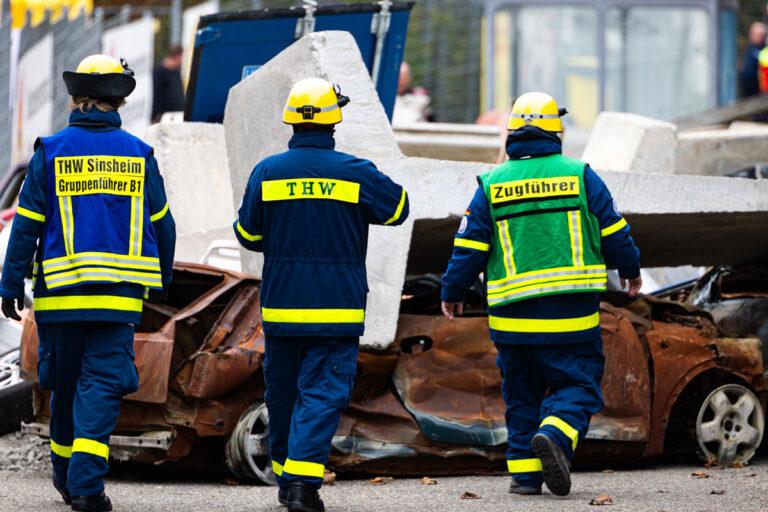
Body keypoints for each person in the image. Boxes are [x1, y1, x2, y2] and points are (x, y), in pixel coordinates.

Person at [440, 92, 641, 497]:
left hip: (511, 320)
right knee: (579, 386)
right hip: (570, 315)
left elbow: (470, 246)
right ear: (556, 131)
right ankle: (555, 433)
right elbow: (614, 232)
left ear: (513, 132)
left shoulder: (491, 183)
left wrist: (452, 289)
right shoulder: (581, 175)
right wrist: (631, 269)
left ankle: (526, 478)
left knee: (521, 395)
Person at [0, 54, 176, 512]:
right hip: (117, 301)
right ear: (118, 100)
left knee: (63, 384)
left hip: (59, 300)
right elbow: (163, 224)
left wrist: (9, 282)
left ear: (76, 98)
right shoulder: (139, 154)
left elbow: (26, 225)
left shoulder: (51, 151)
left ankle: (67, 478)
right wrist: (164, 277)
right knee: (100, 386)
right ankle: (86, 487)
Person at [234, 78, 409, 512]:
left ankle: (285, 477)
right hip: (337, 307)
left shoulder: (266, 171)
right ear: (335, 119)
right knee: (322, 393)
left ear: (291, 120)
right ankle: (302, 485)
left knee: (283, 394)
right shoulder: (357, 171)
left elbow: (248, 233)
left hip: (282, 305)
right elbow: (399, 208)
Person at [151, 44, 185, 122]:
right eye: (182, 57)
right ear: (177, 56)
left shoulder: (176, 72)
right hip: (162, 120)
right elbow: (155, 97)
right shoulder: (158, 72)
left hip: (176, 119)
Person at [743, 22, 766, 97]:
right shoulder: (751, 52)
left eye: (762, 35)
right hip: (752, 93)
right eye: (758, 34)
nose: (761, 37)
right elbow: (748, 74)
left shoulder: (764, 50)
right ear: (752, 35)